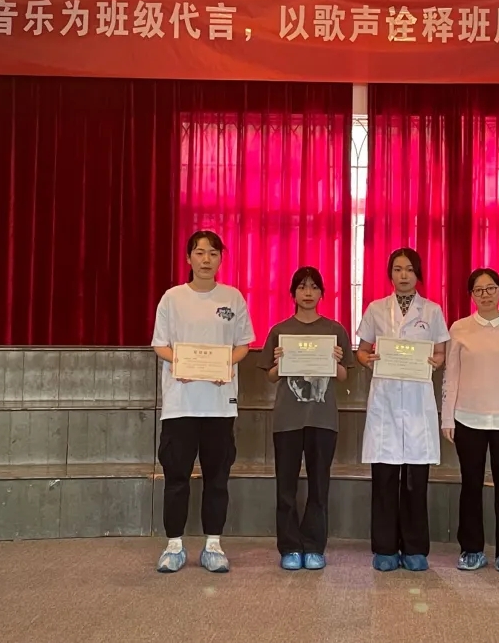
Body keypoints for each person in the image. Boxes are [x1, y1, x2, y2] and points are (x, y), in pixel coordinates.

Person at [151, 230, 254, 574]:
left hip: (219, 405)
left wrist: (226, 365)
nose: (206, 259)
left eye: (213, 253)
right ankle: (174, 546)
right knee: (176, 477)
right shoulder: (172, 298)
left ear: (221, 258)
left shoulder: (232, 297)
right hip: (180, 405)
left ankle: (213, 545)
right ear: (188, 258)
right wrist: (179, 364)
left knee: (217, 478)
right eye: (199, 252)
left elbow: (243, 345)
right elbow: (160, 345)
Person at [355, 248, 449, 572]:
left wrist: (435, 362)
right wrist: (369, 360)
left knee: (415, 481)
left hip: (417, 402)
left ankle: (414, 549)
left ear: (418, 273)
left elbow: (440, 352)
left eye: (409, 269)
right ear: (390, 274)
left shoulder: (432, 311)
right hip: (385, 403)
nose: (404, 275)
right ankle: (384, 549)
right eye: (397, 269)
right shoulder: (376, 309)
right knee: (384, 480)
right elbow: (362, 350)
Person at [260, 267, 355, 571]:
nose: (308, 293)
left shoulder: (335, 330)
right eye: (302, 287)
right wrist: (280, 363)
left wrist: (335, 361)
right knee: (285, 487)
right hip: (287, 419)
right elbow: (271, 377)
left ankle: (314, 546)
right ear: (293, 293)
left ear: (322, 293)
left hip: (323, 419)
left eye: (314, 287)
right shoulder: (280, 330)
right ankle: (289, 547)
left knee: (319, 486)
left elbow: (343, 376)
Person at [441, 268, 499, 574]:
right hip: (467, 418)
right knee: (470, 485)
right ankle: (471, 549)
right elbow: (451, 376)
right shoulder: (459, 328)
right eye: (479, 290)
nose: (485, 294)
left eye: (491, 288)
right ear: (471, 296)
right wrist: (447, 416)